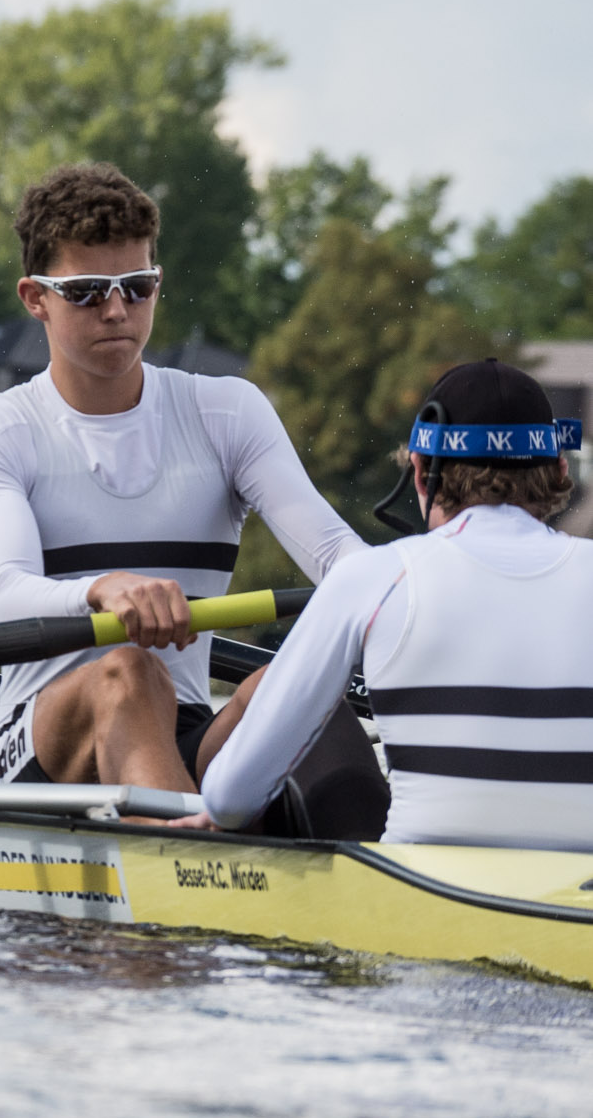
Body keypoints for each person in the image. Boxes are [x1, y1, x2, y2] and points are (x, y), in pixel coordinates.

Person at [0, 162, 363, 790]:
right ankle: (197, 860)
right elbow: (3, 596)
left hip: (185, 723)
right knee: (128, 672)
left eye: (136, 287)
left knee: (301, 678)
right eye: (87, 291)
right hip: (35, 745)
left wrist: (415, 586)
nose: (116, 310)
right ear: (35, 298)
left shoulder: (227, 410)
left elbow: (338, 556)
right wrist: (104, 588)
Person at [196, 361, 592, 848]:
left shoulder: (370, 578)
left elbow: (229, 799)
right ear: (558, 470)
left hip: (420, 898)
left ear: (421, 473)